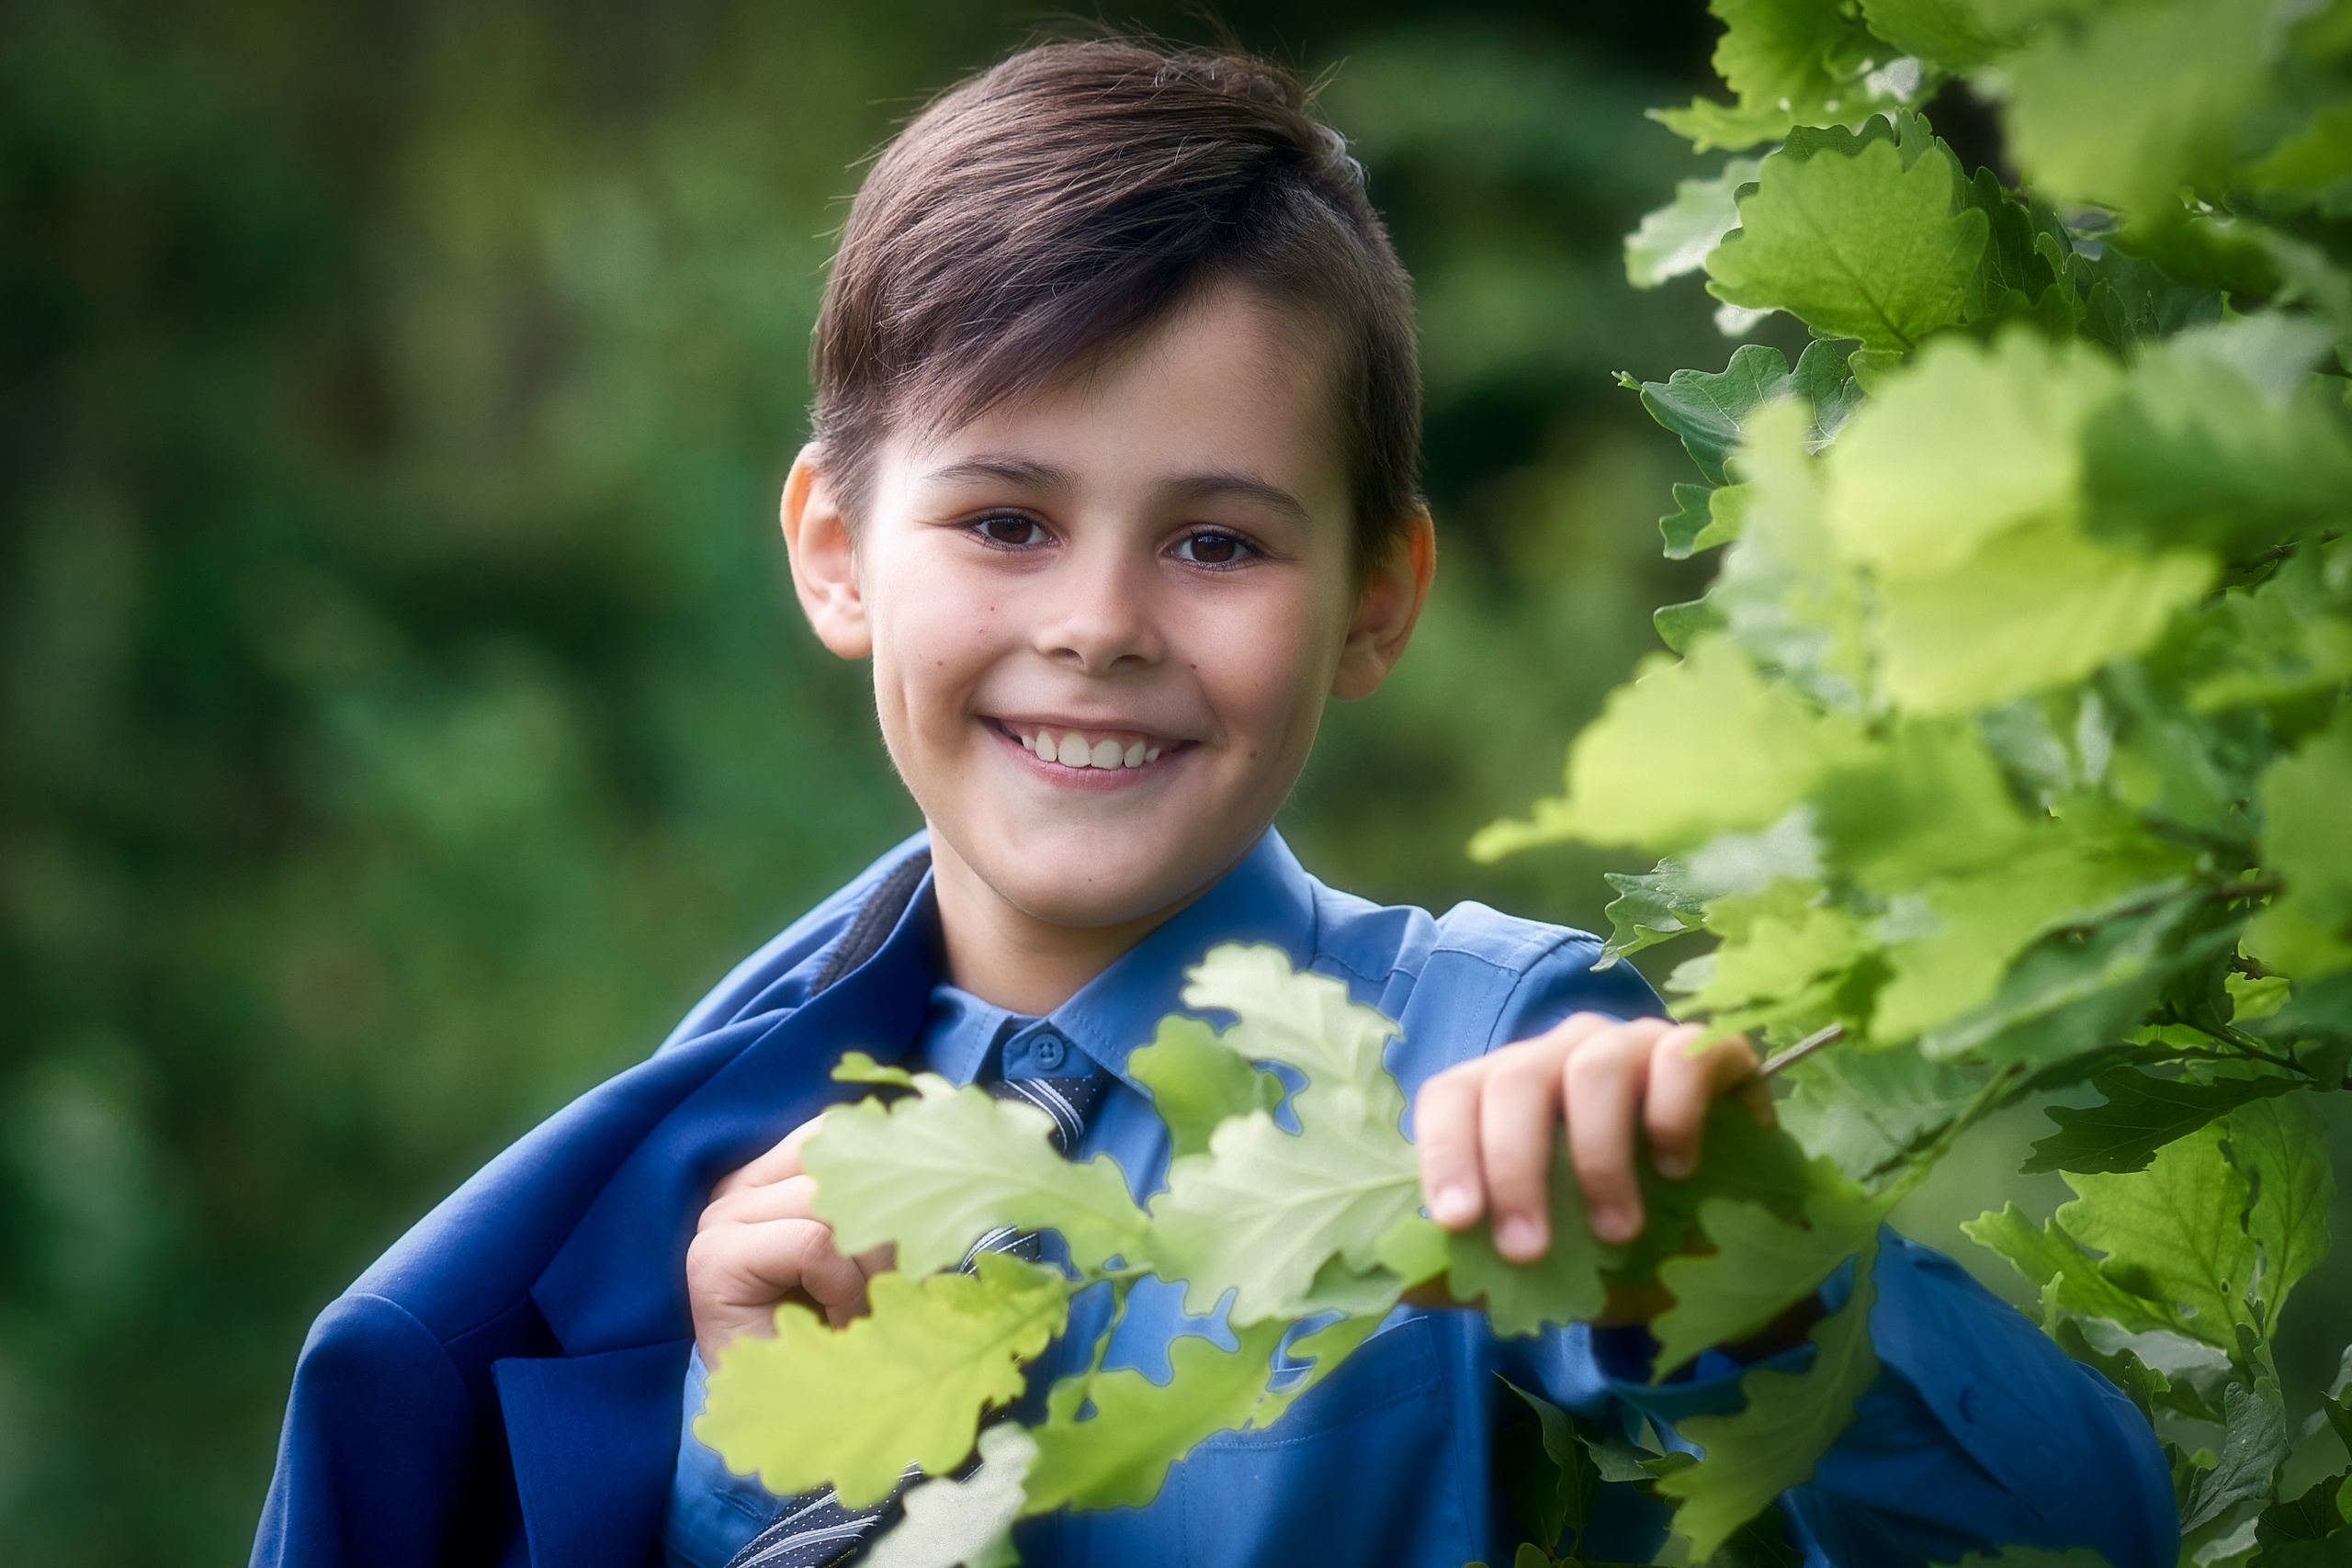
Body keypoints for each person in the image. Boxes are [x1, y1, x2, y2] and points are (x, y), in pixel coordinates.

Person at [251, 37, 2177, 1568]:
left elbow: (2075, 1535)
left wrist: (1751, 1267)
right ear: (836, 552)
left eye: (1214, 541)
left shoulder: (1492, 1070)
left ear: (1377, 597)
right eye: (1004, 519)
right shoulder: (688, 1179)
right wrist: (758, 1492)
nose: (1096, 626)